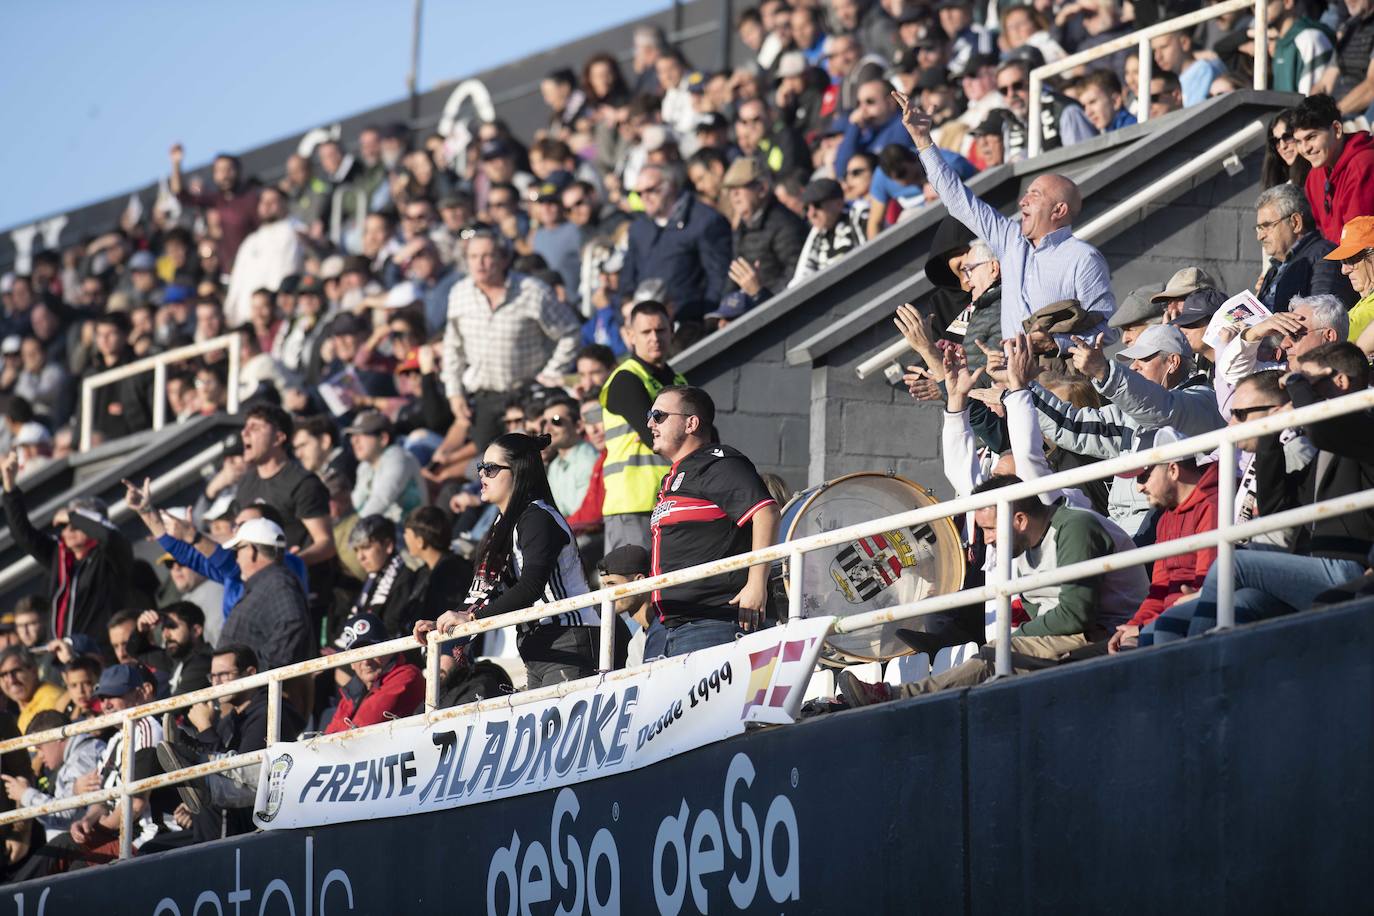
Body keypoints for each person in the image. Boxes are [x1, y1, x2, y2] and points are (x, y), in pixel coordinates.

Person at [839, 474, 1149, 706]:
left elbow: (1075, 615)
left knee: (997, 654)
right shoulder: (1022, 547)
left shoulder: (1075, 528)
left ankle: (893, 697)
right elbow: (1046, 613)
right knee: (996, 658)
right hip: (1075, 636)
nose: (986, 539)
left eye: (989, 528)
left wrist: (1019, 636)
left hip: (1114, 635)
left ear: (1020, 519)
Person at [1149, 342, 1374, 642]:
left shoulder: (1364, 423)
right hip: (1313, 567)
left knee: (1231, 564)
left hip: (1351, 567)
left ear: (1341, 382)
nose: (1296, 394)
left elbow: (1326, 430)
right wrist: (1270, 433)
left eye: (1306, 383)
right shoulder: (1323, 440)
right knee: (1167, 625)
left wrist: (1293, 380)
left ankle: (1199, 666)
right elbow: (1275, 509)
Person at [893, 88, 1116, 351]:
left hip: (1058, 383)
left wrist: (1056, 343)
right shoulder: (1010, 240)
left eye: (1035, 194)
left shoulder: (1083, 258)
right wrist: (923, 142)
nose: (1023, 201)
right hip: (1013, 384)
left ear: (1059, 210)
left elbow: (1105, 331)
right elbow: (958, 200)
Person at [414, 432, 601, 688]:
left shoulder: (538, 518)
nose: (481, 474)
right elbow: (486, 592)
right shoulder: (502, 524)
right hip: (537, 645)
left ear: (518, 472)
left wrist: (472, 619)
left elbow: (530, 587)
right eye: (481, 467)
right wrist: (445, 622)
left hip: (568, 637)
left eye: (490, 469)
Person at [1028, 324, 1225, 536]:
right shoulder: (1131, 412)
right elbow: (1072, 426)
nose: (1133, 367)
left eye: (1143, 359)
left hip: (1163, 524)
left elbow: (1163, 411)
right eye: (1133, 360)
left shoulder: (1202, 401)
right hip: (1122, 527)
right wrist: (1023, 387)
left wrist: (1103, 371)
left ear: (1173, 362)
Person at [646, 386, 779, 656]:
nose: (650, 423)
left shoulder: (717, 463)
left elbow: (766, 512)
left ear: (691, 423)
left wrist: (755, 585)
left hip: (715, 621)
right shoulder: (674, 475)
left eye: (659, 415)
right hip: (671, 625)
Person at [440, 227, 581, 449]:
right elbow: (452, 347)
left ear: (504, 259)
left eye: (487, 256)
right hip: (484, 397)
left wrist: (551, 375)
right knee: (488, 468)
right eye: (473, 257)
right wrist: (454, 393)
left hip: (526, 395)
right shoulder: (459, 293)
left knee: (528, 464)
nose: (480, 263)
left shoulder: (532, 291)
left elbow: (570, 332)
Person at [157, 644, 304, 841]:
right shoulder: (233, 717)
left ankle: (191, 758)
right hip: (228, 816)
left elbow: (243, 776)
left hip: (260, 814)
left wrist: (205, 729)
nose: (216, 683)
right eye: (213, 677)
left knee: (212, 801)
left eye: (223, 675)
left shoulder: (271, 712)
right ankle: (192, 768)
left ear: (250, 673)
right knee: (153, 848)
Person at [1106, 427, 1221, 653]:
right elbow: (1158, 589)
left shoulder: (1212, 504)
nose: (1139, 487)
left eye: (1144, 476)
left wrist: (1142, 628)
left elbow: (1206, 586)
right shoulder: (1165, 517)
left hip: (1192, 619)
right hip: (1168, 621)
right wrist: (1132, 626)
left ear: (1173, 470)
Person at [2, 453, 134, 642]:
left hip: (96, 656)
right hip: (61, 654)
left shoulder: (110, 558)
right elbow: (22, 535)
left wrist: (73, 516)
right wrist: (10, 487)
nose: (68, 530)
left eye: (77, 526)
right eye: (65, 526)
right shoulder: (60, 555)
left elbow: (109, 535)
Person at [232, 404, 336, 619]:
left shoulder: (302, 482)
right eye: (245, 427)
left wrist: (289, 561)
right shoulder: (246, 483)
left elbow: (326, 544)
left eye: (255, 427)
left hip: (300, 595)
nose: (245, 432)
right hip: (255, 592)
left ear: (279, 438)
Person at [600, 301, 688, 553]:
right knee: (632, 589)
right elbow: (658, 436)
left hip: (668, 499)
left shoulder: (678, 380)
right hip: (632, 503)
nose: (654, 338)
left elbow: (707, 436)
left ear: (671, 331)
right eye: (646, 332)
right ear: (630, 336)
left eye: (660, 330)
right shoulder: (626, 379)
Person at [65, 664, 172, 861]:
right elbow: (102, 798)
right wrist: (87, 822)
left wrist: (102, 829)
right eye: (102, 698)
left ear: (139, 694)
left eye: (115, 695)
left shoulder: (149, 728)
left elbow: (137, 803)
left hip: (147, 838)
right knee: (61, 848)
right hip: (119, 833)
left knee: (71, 859)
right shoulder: (116, 739)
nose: (106, 705)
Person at [621, 164, 734, 324]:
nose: (644, 197)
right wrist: (625, 308)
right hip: (647, 327)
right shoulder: (638, 229)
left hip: (689, 324)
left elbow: (719, 279)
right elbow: (627, 279)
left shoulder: (705, 221)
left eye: (651, 190)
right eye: (639, 193)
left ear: (671, 186)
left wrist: (709, 321)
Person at [217, 518, 313, 672]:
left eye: (238, 550)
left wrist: (259, 675)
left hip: (260, 692)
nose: (236, 559)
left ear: (252, 551)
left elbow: (292, 623)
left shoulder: (277, 583)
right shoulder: (271, 582)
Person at [1, 709, 103, 840]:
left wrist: (25, 794)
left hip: (78, 846)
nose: (40, 756)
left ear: (58, 738)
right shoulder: (80, 754)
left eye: (40, 748)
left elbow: (65, 815)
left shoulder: (83, 758)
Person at [1254, 183, 1355, 313]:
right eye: (1259, 228)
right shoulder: (1275, 268)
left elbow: (1322, 320)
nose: (1260, 236)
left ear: (1296, 222)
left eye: (1267, 226)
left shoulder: (1324, 256)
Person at [1290, 94, 1374, 245]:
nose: (1305, 149)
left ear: (1336, 129)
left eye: (1311, 137)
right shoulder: (1314, 176)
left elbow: (1360, 244)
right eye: (1298, 141)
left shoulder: (1364, 165)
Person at [722, 157, 807, 302]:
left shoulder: (785, 224)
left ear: (762, 188)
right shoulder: (743, 226)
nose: (734, 196)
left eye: (740, 188)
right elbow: (734, 276)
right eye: (730, 190)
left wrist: (760, 293)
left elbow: (796, 278)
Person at [325, 612, 425, 733]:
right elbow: (329, 735)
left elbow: (363, 726)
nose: (366, 661)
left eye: (372, 651)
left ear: (388, 650)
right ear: (351, 663)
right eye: (358, 655)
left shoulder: (407, 675)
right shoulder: (352, 692)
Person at [168, 145, 261, 269]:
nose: (225, 175)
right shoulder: (216, 200)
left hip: (256, 261)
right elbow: (181, 194)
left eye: (228, 169)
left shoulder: (253, 197)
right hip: (231, 269)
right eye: (220, 170)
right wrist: (176, 163)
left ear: (238, 171)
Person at [222, 187, 304, 326]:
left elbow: (287, 273)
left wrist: (270, 306)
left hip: (273, 318)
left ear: (284, 204)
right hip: (245, 321)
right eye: (263, 201)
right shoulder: (250, 241)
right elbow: (237, 281)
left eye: (273, 201)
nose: (267, 205)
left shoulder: (292, 233)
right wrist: (229, 313)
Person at [993, 58, 1096, 159]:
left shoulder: (1066, 111)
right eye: (1004, 90)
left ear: (1032, 83)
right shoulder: (1008, 124)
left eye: (1017, 86)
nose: (1011, 94)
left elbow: (1084, 161)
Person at [346, 515, 421, 640]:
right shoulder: (371, 579)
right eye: (356, 550)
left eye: (366, 547)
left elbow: (393, 627)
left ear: (388, 545)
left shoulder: (405, 577)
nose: (360, 557)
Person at [345, 409, 423, 522]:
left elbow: (381, 500)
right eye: (353, 435)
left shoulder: (398, 457)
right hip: (380, 530)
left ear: (383, 438)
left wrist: (352, 529)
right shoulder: (364, 466)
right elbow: (355, 504)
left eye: (362, 434)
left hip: (408, 531)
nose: (354, 440)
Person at [790, 177, 866, 286]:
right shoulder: (817, 232)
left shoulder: (858, 212)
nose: (811, 214)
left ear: (839, 203)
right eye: (807, 208)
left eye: (817, 205)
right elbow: (802, 275)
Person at [1309, 0, 1374, 115]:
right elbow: (1325, 83)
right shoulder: (1349, 27)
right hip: (1336, 114)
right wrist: (1309, 109)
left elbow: (1371, 87)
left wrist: (1333, 115)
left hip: (1359, 119)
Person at [137, 602, 213, 695]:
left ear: (196, 631)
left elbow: (177, 707)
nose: (165, 635)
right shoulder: (177, 658)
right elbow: (140, 654)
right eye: (163, 628)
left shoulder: (203, 662)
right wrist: (141, 631)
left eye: (172, 626)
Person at [596, 545, 655, 667]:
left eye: (612, 584)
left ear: (639, 581)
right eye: (604, 585)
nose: (607, 593)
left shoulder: (671, 629)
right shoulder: (634, 644)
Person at [542, 395, 599, 517]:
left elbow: (586, 514)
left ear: (578, 426)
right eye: (544, 422)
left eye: (556, 421)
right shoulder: (555, 466)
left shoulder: (589, 460)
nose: (547, 428)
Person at [1325, 217, 1374, 347]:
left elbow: (1330, 339)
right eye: (1343, 261)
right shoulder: (1366, 299)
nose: (1344, 270)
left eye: (1351, 260)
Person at [160, 555, 226, 649]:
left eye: (182, 561)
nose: (176, 568)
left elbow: (219, 642)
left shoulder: (215, 592)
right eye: (169, 564)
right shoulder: (188, 596)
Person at [0, 647, 68, 734]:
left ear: (34, 671)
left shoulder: (51, 699)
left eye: (16, 671)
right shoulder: (22, 707)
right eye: (3, 674)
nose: (11, 680)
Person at [1150, 31, 1224, 107]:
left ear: (1184, 43)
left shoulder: (1203, 70)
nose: (1157, 57)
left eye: (1164, 47)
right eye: (1154, 51)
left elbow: (1196, 113)